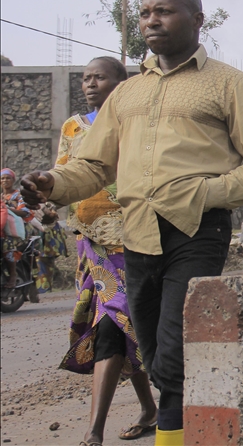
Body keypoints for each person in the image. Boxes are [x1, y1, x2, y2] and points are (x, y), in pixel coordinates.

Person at [20, 0, 243, 443]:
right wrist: (54, 184)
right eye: (144, 13)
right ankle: (203, 423)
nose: (151, 21)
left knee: (173, 349)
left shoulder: (232, 84)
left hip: (197, 228)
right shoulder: (126, 94)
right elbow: (94, 165)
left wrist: (205, 193)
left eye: (163, 11)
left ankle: (174, 433)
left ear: (197, 19)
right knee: (151, 348)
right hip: (136, 232)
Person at [50, 56, 158, 446]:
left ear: (121, 83)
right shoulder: (74, 127)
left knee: (117, 325)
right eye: (85, 78)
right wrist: (49, 201)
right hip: (92, 244)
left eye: (100, 77)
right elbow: (63, 171)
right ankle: (147, 410)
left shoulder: (138, 123)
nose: (90, 84)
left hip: (135, 239)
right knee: (117, 325)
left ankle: (95, 432)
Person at [2, 168, 32, 289]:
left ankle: (13, 274)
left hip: (19, 230)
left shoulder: (19, 195)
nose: (5, 180)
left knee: (6, 244)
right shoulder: (1, 196)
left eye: (8, 178)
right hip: (3, 228)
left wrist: (6, 209)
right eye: (2, 178)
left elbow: (25, 213)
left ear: (13, 180)